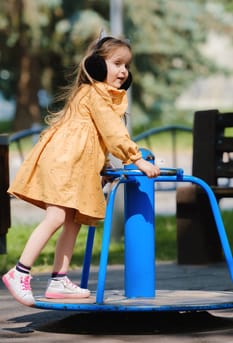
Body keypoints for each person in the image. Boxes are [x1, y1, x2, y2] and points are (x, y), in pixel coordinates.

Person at [2, 35, 160, 307]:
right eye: (117, 63)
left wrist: (104, 165)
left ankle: (58, 280)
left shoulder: (102, 96)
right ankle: (20, 272)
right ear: (97, 66)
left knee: (73, 220)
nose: (123, 71)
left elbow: (94, 138)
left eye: (127, 65)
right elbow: (112, 132)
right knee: (57, 216)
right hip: (65, 162)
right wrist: (138, 160)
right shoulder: (95, 93)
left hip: (76, 163)